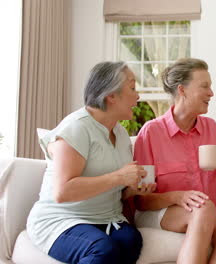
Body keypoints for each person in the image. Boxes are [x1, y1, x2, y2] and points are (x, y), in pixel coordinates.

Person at [26, 61, 157, 264]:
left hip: (107, 219)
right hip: (62, 219)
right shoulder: (76, 128)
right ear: (111, 96)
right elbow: (63, 192)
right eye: (132, 88)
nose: (138, 96)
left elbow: (116, 191)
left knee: (130, 240)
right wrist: (119, 177)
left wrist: (132, 189)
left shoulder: (121, 134)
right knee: (102, 248)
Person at [133, 58, 216, 263]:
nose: (212, 93)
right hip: (159, 211)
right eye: (205, 86)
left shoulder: (211, 128)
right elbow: (141, 200)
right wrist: (177, 197)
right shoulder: (152, 132)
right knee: (204, 209)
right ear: (182, 90)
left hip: (207, 212)